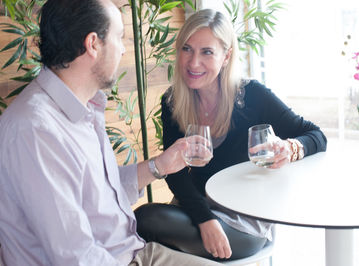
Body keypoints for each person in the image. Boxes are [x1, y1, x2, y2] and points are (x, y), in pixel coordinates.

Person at [0, 1, 224, 265]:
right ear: (93, 44)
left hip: (131, 252)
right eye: (119, 37)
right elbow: (75, 257)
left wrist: (160, 165)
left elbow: (101, 194)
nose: (123, 49)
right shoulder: (35, 131)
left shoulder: (84, 107)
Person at [135, 8, 327, 261]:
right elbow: (176, 174)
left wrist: (289, 149)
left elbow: (316, 136)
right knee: (140, 222)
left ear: (226, 56)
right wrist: (206, 219)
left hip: (242, 221)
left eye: (207, 52)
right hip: (195, 211)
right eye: (187, 49)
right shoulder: (173, 101)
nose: (193, 63)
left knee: (145, 221)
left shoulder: (251, 96)